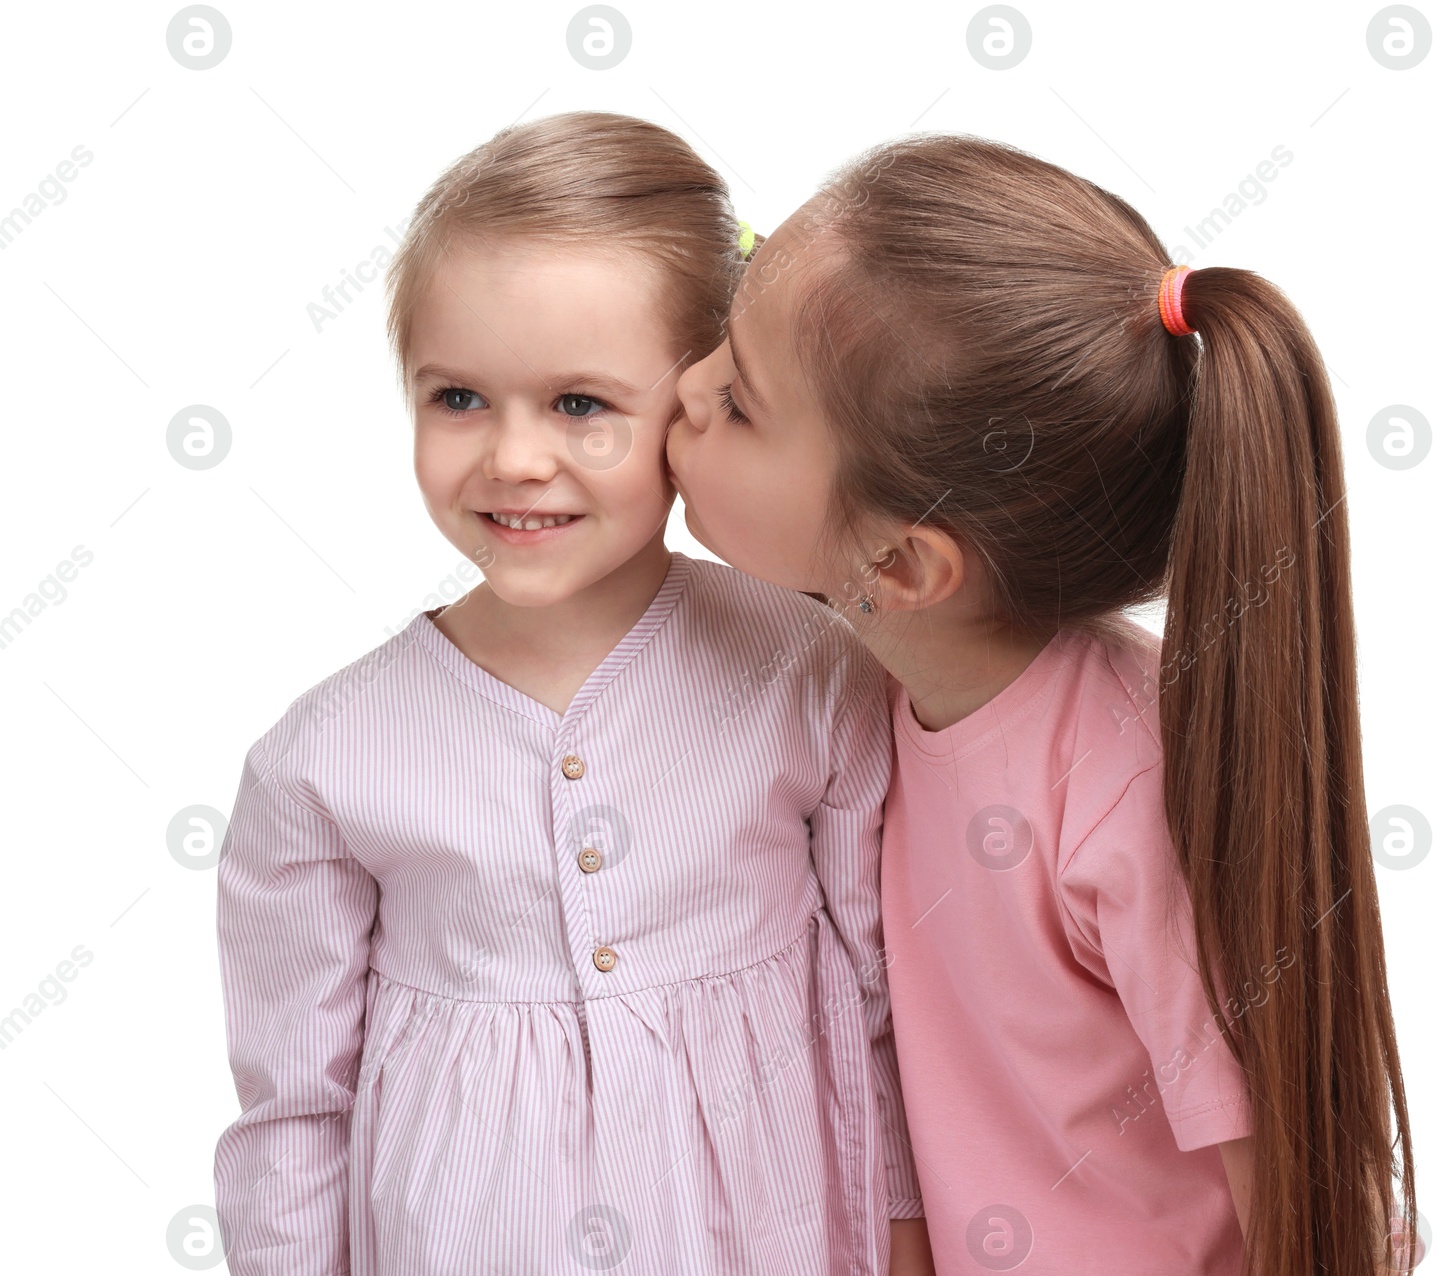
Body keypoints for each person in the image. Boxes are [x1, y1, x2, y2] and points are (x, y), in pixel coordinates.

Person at [668, 132, 1422, 1275]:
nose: (685, 387)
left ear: (907, 567)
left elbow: (1305, 1193)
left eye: (738, 401)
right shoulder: (858, 698)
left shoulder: (1122, 790)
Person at [212, 112, 927, 1275]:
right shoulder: (322, 759)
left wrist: (906, 1236)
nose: (513, 457)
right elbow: (294, 1110)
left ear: (700, 402)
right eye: (457, 398)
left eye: (580, 404)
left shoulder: (812, 669)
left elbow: (882, 1001)